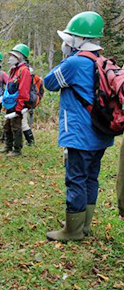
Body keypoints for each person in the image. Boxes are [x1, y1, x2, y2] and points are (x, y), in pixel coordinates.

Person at [44, 11, 113, 241]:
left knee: (75, 178)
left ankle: (72, 230)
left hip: (80, 133)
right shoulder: (101, 61)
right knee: (91, 178)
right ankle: (83, 225)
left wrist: (66, 58)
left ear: (79, 39)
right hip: (100, 133)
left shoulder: (74, 62)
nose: (65, 42)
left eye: (68, 38)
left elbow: (49, 82)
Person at [0, 44, 32, 157]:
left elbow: (23, 91)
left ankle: (17, 150)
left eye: (14, 55)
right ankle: (8, 147)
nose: (11, 58)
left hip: (18, 105)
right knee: (7, 125)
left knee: (16, 127)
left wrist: (19, 108)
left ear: (20, 57)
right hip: (10, 104)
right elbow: (9, 88)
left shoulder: (24, 71)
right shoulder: (14, 70)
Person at [21, 67, 43, 146]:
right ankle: (30, 141)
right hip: (30, 102)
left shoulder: (26, 80)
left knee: (23, 123)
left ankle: (30, 142)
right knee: (22, 122)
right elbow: (41, 92)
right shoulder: (36, 79)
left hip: (24, 103)